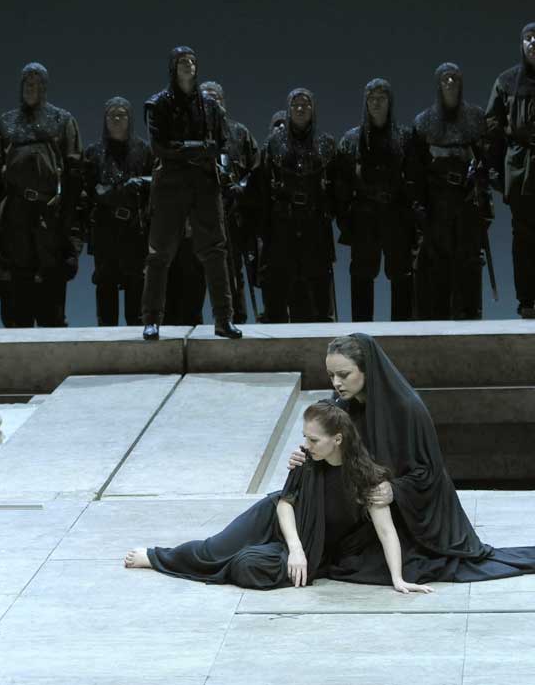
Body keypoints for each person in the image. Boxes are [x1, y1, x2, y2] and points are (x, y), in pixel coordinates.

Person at [285, 334, 535, 582]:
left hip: (403, 517)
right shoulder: (342, 406)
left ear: (367, 370)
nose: (336, 383)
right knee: (282, 504)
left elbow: (429, 473)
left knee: (371, 564)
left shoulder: (406, 409)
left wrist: (395, 489)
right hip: (359, 506)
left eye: (344, 374)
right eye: (331, 376)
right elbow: (334, 448)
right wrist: (307, 455)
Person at [124, 402, 436, 593]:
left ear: (337, 439)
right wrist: (296, 548)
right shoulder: (306, 460)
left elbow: (386, 531)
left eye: (314, 439)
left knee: (247, 566)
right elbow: (286, 503)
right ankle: (155, 557)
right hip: (274, 520)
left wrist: (398, 579)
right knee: (213, 549)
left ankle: (242, 560)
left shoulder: (366, 477)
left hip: (309, 543)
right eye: (305, 437)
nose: (306, 444)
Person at [139, 47, 241, 341]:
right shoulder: (158, 104)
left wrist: (186, 149)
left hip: (204, 184)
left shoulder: (210, 106)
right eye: (182, 61)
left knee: (215, 251)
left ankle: (224, 319)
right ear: (173, 67)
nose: (188, 65)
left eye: (192, 61)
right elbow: (160, 147)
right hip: (171, 186)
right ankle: (151, 320)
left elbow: (222, 143)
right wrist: (198, 148)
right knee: (159, 254)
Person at [0, 62, 82, 327]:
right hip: (14, 225)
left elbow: (75, 180)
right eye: (27, 83)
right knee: (16, 316)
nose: (31, 87)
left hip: (50, 223)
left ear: (44, 87)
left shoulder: (62, 120)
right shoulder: (7, 123)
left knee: (51, 315)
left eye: (36, 82)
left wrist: (73, 239)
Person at [409, 63, 491, 320]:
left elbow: (485, 161)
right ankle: (439, 319)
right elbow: (416, 169)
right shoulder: (424, 122)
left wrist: (484, 199)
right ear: (438, 84)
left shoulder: (475, 118)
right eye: (445, 79)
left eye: (455, 78)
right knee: (437, 260)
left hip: (467, 199)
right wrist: (419, 204)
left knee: (469, 258)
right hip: (438, 200)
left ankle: (469, 315)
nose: (450, 83)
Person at [253, 88, 338, 323]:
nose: (300, 108)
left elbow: (337, 184)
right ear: (289, 109)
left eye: (305, 104)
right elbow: (261, 186)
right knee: (278, 287)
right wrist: (264, 226)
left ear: (313, 109)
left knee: (315, 290)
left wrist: (329, 211)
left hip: (315, 223)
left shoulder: (326, 143)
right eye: (295, 105)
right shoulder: (273, 143)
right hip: (282, 224)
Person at [335, 79, 415, 321]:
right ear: (366, 103)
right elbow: (342, 183)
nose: (376, 103)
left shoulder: (405, 137)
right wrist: (344, 217)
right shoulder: (352, 140)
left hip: (396, 215)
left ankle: (402, 332)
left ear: (390, 102)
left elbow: (414, 179)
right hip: (364, 216)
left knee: (401, 273)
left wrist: (413, 216)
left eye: (382, 98)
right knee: (361, 274)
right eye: (371, 98)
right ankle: (362, 332)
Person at [80, 96, 152, 326]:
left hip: (134, 229)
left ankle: (135, 341)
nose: (117, 119)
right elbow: (85, 191)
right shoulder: (93, 152)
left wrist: (139, 184)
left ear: (130, 118)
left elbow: (156, 187)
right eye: (112, 115)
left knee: (136, 285)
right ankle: (105, 340)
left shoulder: (144, 150)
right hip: (104, 228)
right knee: (105, 285)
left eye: (121, 114)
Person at [486, 22, 535, 319]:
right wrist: (494, 169)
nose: (534, 43)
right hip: (520, 169)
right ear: (522, 43)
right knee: (524, 235)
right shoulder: (506, 81)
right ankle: (527, 300)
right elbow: (492, 127)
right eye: (529, 38)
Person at [201, 80, 259, 324]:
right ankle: (191, 323)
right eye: (205, 99)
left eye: (215, 98)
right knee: (195, 271)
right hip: (199, 213)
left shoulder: (239, 133)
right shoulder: (189, 134)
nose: (211, 103)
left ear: (223, 102)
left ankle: (237, 319)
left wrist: (242, 187)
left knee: (233, 268)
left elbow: (257, 167)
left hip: (233, 212)